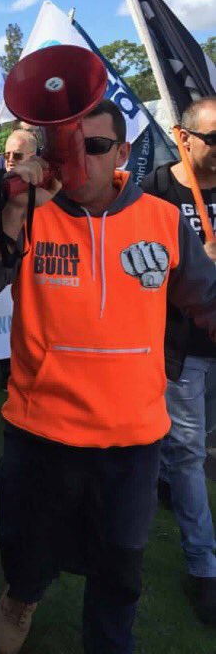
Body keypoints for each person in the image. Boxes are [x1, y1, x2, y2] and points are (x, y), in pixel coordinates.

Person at [0, 98, 216, 654]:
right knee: (27, 552)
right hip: (41, 431)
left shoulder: (161, 218)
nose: (79, 161)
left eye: (94, 147)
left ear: (122, 152)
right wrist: (13, 210)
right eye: (65, 148)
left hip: (133, 439)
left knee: (119, 573)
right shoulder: (31, 211)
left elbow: (206, 299)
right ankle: (21, 598)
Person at [142, 96, 216, 623]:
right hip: (181, 348)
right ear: (183, 138)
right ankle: (203, 567)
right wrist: (191, 264)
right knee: (191, 453)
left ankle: (165, 478)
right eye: (214, 138)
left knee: (195, 442)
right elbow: (134, 271)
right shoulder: (154, 193)